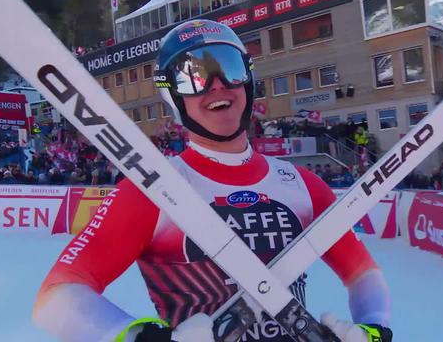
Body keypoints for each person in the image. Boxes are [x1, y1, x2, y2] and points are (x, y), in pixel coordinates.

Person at [33, 20, 392, 342]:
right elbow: (56, 294)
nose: (217, 86)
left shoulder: (303, 184)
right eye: (194, 76)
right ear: (172, 96)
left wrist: (373, 328)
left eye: (229, 68)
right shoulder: (152, 189)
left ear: (248, 82)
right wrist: (136, 337)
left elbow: (362, 271)